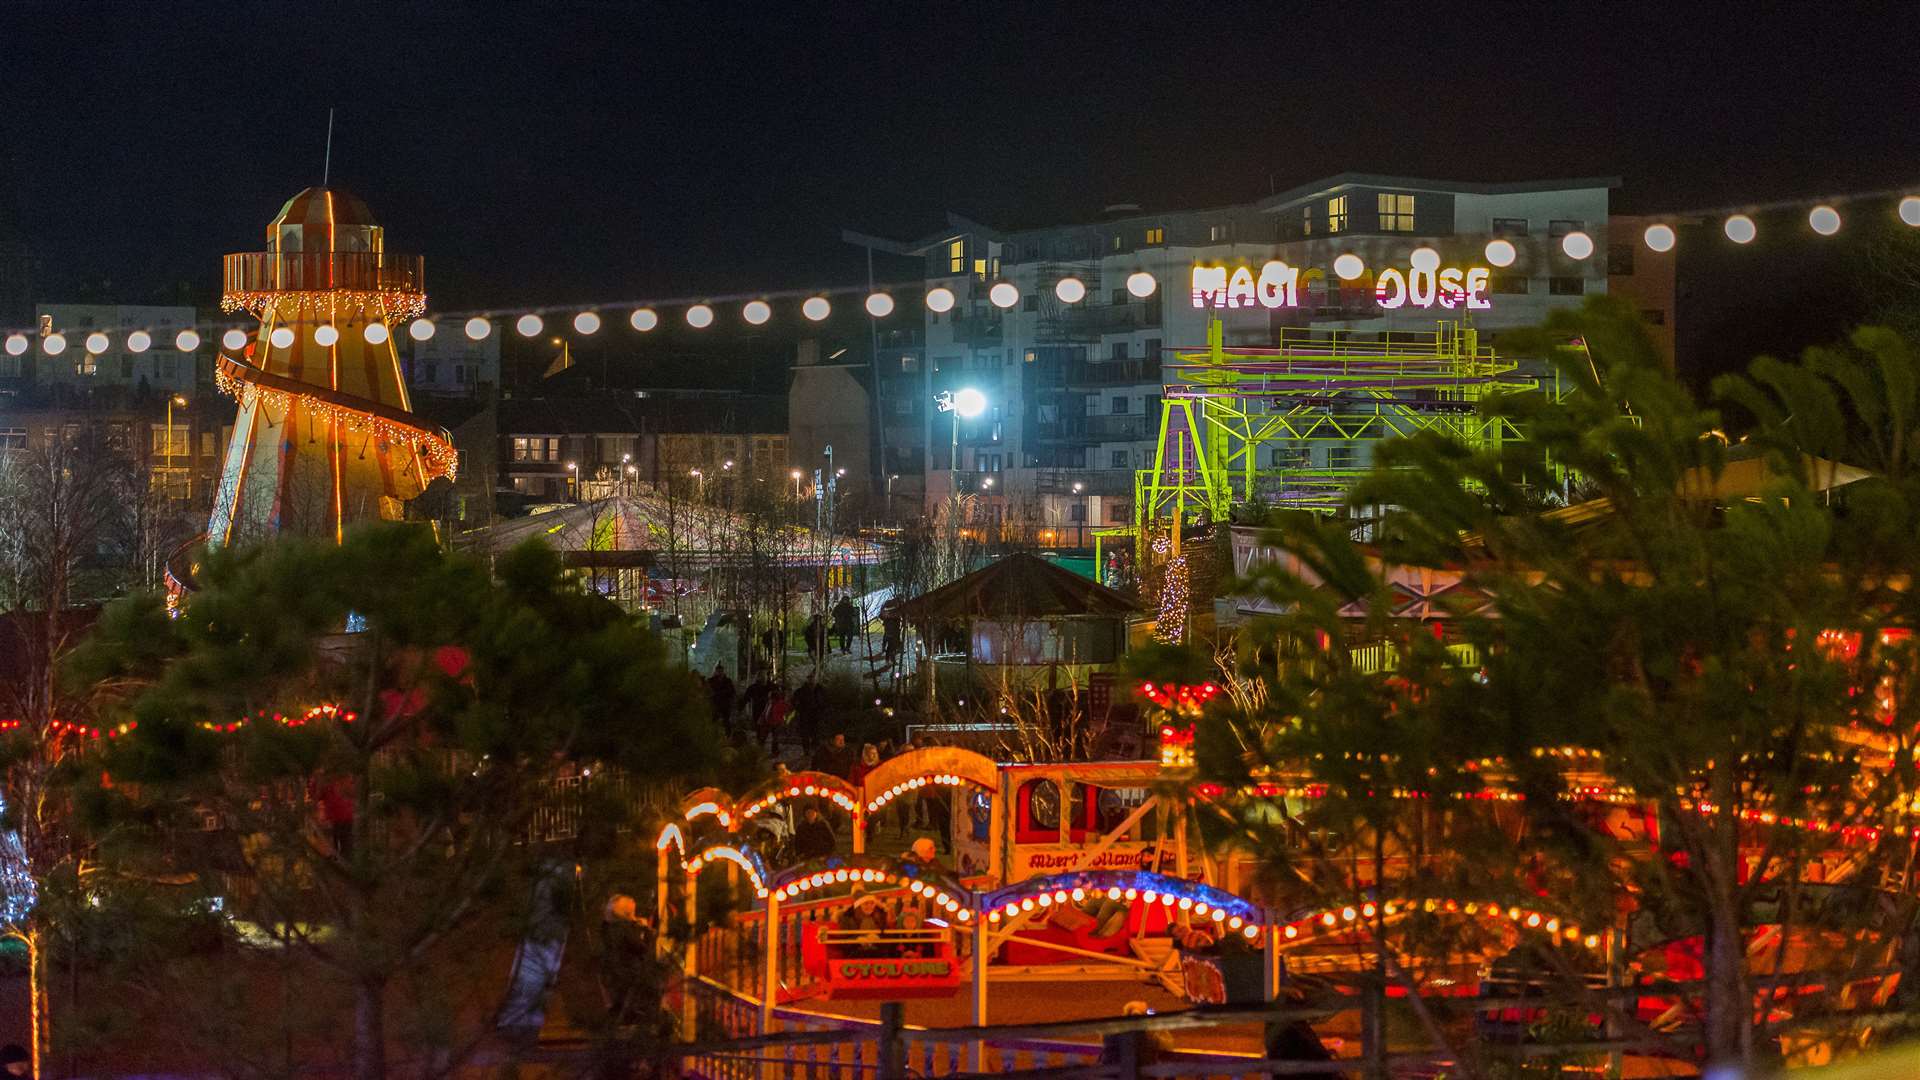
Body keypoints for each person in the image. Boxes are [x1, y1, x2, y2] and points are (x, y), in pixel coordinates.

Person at [601, 893, 657, 1025]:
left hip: (614, 970)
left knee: (619, 1004)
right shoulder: (625, 928)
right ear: (627, 912)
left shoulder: (608, 926)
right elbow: (642, 948)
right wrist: (647, 931)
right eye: (633, 910)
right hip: (628, 972)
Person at [793, 673, 828, 753]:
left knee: (816, 732)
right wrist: (799, 709)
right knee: (805, 733)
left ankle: (814, 747)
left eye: (813, 678)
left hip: (817, 715)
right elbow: (795, 701)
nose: (812, 680)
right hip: (805, 715)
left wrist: (823, 710)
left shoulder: (821, 690)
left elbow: (825, 701)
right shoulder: (801, 691)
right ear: (808, 679)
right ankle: (806, 749)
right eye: (810, 678)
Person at [759, 687, 790, 753]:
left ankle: (774, 750)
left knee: (775, 737)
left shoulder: (780, 703)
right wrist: (762, 718)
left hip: (776, 722)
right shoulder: (770, 703)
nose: (769, 698)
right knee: (764, 736)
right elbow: (765, 711)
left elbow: (786, 711)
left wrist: (784, 720)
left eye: (770, 697)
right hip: (768, 721)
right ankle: (761, 748)